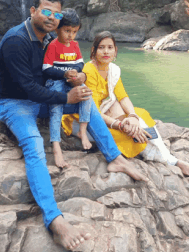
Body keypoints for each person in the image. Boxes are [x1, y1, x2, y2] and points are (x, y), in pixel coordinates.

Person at [0, 0, 147, 252]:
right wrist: (67, 99)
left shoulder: (49, 39)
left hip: (41, 100)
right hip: (15, 104)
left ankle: (116, 158)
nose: (52, 17)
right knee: (33, 144)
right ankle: (55, 220)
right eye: (46, 11)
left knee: (85, 98)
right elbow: (29, 88)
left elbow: (59, 71)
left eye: (57, 13)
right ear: (33, 11)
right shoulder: (16, 41)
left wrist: (76, 80)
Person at [62, 31, 189, 176]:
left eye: (110, 47)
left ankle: (172, 160)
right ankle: (172, 161)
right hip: (83, 121)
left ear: (115, 51)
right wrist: (120, 125)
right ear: (94, 51)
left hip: (104, 112)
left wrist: (133, 116)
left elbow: (122, 97)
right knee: (127, 134)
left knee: (141, 116)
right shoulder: (89, 70)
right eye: (101, 47)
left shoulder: (113, 70)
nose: (106, 51)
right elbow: (93, 112)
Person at [43, 8, 92, 168]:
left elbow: (80, 63)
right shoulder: (53, 45)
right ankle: (56, 147)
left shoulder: (75, 45)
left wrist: (77, 73)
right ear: (57, 29)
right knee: (56, 106)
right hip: (56, 81)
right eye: (67, 31)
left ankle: (82, 131)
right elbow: (47, 69)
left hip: (71, 80)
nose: (70, 35)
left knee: (86, 94)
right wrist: (65, 74)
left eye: (74, 31)